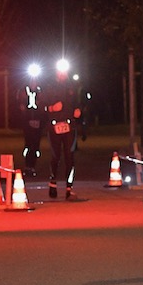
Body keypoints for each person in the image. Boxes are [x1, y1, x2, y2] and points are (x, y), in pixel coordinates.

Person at [37, 58, 87, 201]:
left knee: (70, 157)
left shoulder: (72, 86)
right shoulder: (49, 87)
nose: (62, 74)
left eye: (64, 72)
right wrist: (52, 108)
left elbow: (79, 102)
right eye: (60, 72)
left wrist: (78, 110)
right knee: (55, 156)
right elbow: (41, 107)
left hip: (69, 126)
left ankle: (69, 188)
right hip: (54, 127)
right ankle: (52, 183)